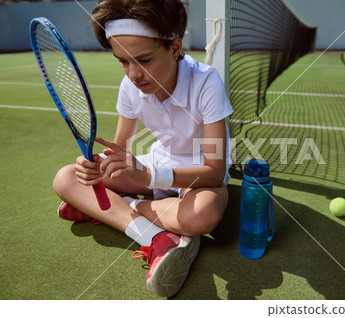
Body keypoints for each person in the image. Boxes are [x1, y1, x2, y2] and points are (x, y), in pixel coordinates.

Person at [53, 0, 233, 297]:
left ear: (174, 48)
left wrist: (148, 176)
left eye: (143, 60)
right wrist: (96, 167)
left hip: (198, 175)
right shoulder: (130, 88)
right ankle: (158, 237)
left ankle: (117, 208)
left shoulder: (206, 82)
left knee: (202, 215)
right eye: (123, 61)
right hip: (156, 166)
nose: (133, 74)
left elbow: (214, 172)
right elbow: (118, 150)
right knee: (65, 178)